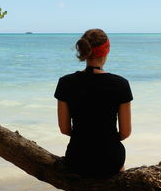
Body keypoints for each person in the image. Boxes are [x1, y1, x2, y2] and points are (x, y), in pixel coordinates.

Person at [54, 29, 133, 177]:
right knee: (115, 163)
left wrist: (85, 136)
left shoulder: (65, 82)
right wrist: (103, 138)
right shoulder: (121, 84)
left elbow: (64, 129)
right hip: (110, 159)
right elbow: (125, 132)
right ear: (107, 50)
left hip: (77, 158)